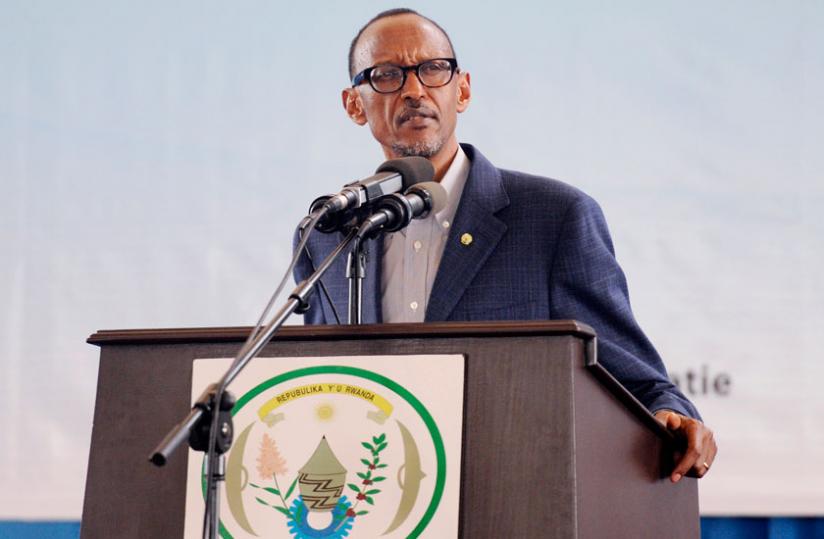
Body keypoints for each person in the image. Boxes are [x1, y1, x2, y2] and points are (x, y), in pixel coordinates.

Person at [294, 8, 716, 482]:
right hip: (376, 493)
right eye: (388, 75)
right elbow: (320, 383)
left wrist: (672, 415)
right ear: (354, 105)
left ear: (462, 90)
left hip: (509, 487)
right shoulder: (329, 232)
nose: (414, 90)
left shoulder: (554, 217)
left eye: (433, 69)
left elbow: (637, 381)